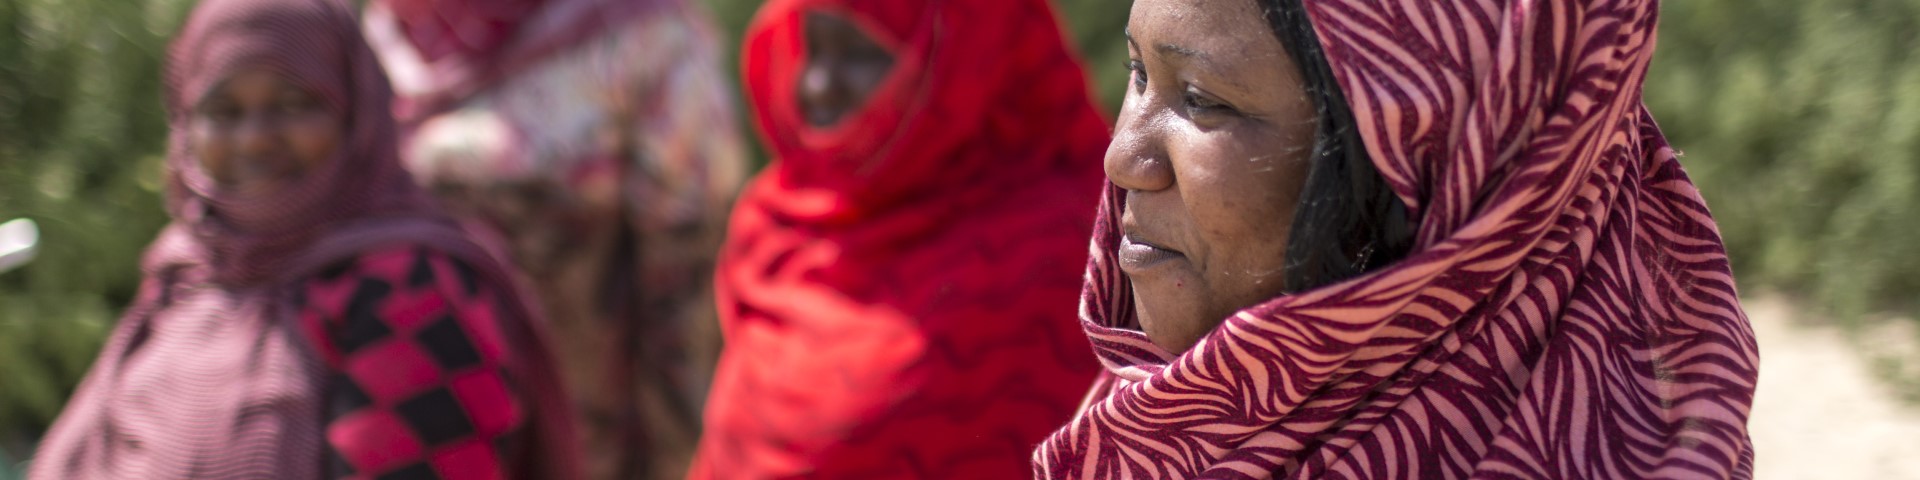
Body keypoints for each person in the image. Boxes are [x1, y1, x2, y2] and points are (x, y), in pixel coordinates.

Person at [1033, 0, 1760, 477]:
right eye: (1137, 71)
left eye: (1202, 101)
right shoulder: (1158, 424)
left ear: (1427, 180)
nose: (1121, 158)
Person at [28, 0, 578, 478]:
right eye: (222, 112)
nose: (256, 138)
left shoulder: (417, 288)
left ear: (356, 113)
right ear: (183, 125)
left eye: (295, 105)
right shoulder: (188, 275)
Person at [687, 0, 1110, 477]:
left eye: (860, 54)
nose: (818, 85)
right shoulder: (786, 220)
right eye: (813, 47)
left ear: (965, 64)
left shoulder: (1070, 255)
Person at [359, 0, 748, 477]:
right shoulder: (387, 30)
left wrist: (677, 457)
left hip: (584, 439)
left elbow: (689, 283)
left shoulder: (646, 33)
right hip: (416, 426)